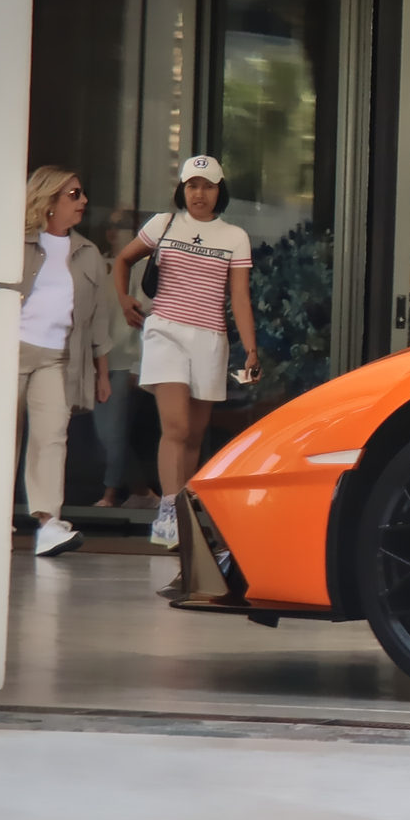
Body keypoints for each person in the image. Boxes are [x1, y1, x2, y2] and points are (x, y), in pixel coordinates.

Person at [108, 157, 262, 551]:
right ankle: (168, 513)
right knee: (175, 427)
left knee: (193, 434)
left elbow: (239, 296)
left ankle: (180, 512)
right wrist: (124, 300)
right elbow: (124, 260)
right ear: (182, 189)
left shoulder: (235, 236)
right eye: (192, 185)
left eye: (208, 186)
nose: (199, 193)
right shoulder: (162, 224)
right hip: (165, 332)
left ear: (219, 191)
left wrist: (250, 349)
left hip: (210, 337)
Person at [16, 167, 115, 559]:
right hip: (12, 351)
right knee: (3, 436)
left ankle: (48, 524)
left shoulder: (88, 253)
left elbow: (98, 321)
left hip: (59, 357)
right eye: (74, 194)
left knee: (52, 436)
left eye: (81, 193)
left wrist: (102, 373)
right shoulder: (14, 244)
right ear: (49, 201)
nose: (83, 201)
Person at [89, 208, 159, 509]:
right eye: (110, 225)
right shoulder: (99, 263)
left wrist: (138, 365)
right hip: (97, 360)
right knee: (106, 434)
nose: (114, 231)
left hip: (124, 360)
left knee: (114, 432)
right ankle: (142, 492)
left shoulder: (141, 269)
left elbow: (149, 317)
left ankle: (109, 495)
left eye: (121, 226)